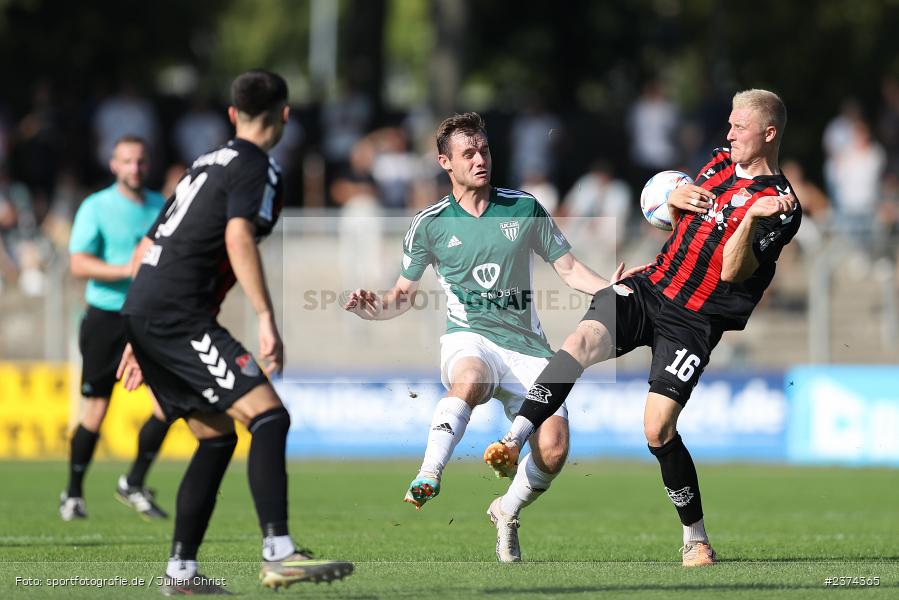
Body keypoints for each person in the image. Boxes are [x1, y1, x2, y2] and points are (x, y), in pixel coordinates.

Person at [484, 89, 802, 567]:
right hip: (651, 287)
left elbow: (734, 271)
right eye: (731, 124)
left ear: (769, 134)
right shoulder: (717, 162)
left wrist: (749, 220)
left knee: (658, 429)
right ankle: (512, 439)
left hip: (695, 320)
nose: (730, 133)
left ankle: (694, 537)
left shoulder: (780, 206)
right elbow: (667, 211)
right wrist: (670, 196)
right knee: (580, 340)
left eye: (740, 127)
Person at [344, 112, 641, 562]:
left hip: (527, 347)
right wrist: (375, 308)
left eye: (484, 150)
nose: (480, 158)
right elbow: (401, 295)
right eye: (469, 153)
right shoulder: (430, 223)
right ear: (445, 162)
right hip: (469, 337)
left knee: (555, 448)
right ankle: (429, 473)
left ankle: (506, 510)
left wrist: (611, 290)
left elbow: (569, 269)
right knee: (470, 379)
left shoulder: (522, 207)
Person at [117, 70, 353, 593]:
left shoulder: (203, 163)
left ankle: (180, 574)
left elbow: (146, 248)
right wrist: (267, 317)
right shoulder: (257, 166)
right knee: (269, 417)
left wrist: (137, 334)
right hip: (178, 315)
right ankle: (279, 551)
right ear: (285, 116)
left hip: (148, 310)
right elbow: (238, 234)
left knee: (218, 438)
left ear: (231, 115)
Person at [60, 135, 170, 522]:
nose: (134, 168)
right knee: (96, 408)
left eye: (140, 161)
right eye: (127, 161)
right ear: (113, 165)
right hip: (106, 317)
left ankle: (134, 482)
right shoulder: (97, 206)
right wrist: (127, 270)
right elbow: (78, 264)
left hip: (150, 319)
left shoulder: (161, 206)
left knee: (168, 404)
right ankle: (73, 494)